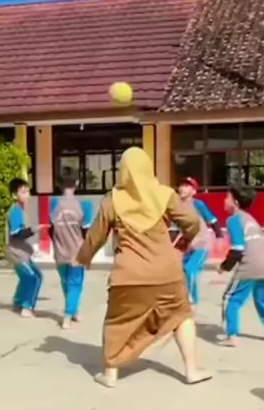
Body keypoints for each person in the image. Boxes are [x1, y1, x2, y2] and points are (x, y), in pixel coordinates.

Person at [76, 147, 212, 388]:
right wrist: (185, 241)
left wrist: (83, 258)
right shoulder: (165, 194)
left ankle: (110, 374)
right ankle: (192, 371)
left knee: (117, 322)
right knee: (181, 316)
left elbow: (96, 236)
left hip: (128, 276)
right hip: (167, 273)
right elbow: (191, 221)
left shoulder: (112, 199)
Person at [220, 186, 264, 347]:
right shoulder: (250, 219)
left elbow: (238, 248)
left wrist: (224, 267)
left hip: (249, 266)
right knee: (262, 298)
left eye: (227, 197)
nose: (224, 201)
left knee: (231, 299)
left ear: (235, 203)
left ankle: (232, 336)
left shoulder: (233, 220)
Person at [49, 176, 93, 329]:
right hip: (77, 252)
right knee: (75, 284)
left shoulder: (53, 204)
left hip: (60, 251)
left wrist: (56, 246)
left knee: (65, 282)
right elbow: (87, 233)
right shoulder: (84, 205)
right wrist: (88, 254)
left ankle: (74, 311)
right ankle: (68, 315)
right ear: (77, 184)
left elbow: (51, 230)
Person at [177, 177, 223, 305]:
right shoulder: (176, 206)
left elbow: (213, 220)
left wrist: (219, 237)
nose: (182, 188)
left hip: (202, 245)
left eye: (187, 186)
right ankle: (189, 297)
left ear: (194, 191)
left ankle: (190, 298)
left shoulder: (198, 204)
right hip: (188, 247)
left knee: (189, 269)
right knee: (180, 271)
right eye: (181, 185)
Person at [6, 178, 43, 318]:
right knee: (32, 278)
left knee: (33, 277)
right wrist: (34, 229)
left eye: (28, 192)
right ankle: (26, 307)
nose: (27, 195)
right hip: (16, 252)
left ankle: (18, 303)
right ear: (14, 195)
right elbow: (17, 233)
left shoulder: (21, 210)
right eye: (23, 192)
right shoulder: (15, 211)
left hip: (22, 251)